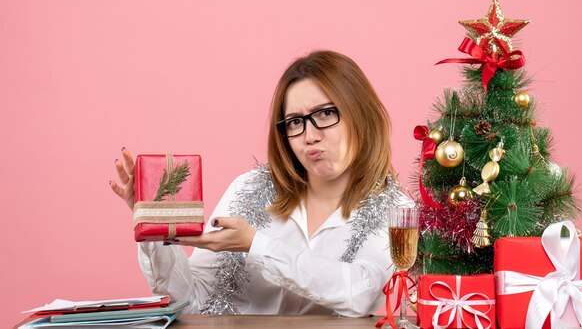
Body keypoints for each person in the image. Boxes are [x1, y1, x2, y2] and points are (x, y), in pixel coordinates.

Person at [110, 50, 411, 317]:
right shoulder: (249, 189)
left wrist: (257, 246)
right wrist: (152, 223)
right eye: (295, 121)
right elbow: (191, 302)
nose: (310, 136)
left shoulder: (397, 208)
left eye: (325, 113)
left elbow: (367, 294)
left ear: (361, 114)